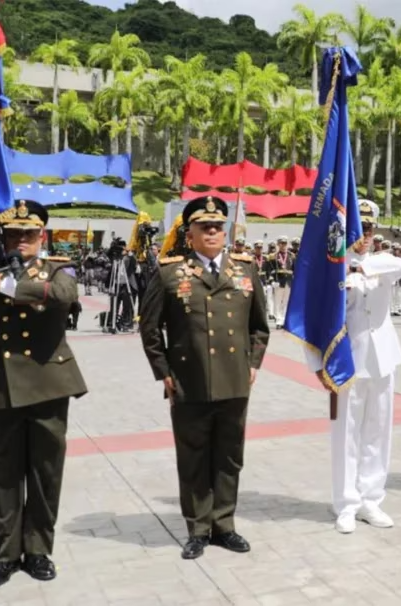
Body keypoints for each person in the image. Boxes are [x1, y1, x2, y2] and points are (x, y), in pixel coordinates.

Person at [0, 200, 88, 589]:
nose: (21, 241)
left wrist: (4, 285)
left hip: (49, 390)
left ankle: (37, 551)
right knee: (2, 479)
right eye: (13, 234)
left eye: (28, 235)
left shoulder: (56, 270)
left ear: (42, 237)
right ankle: (6, 555)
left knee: (45, 475)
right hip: (0, 394)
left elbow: (63, 295)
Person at [139, 196, 270, 560]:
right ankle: (198, 528)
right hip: (189, 380)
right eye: (204, 227)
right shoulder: (169, 272)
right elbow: (149, 329)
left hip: (234, 380)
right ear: (189, 233)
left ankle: (224, 525)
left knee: (229, 457)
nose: (212, 232)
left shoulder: (245, 269)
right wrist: (163, 372)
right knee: (194, 457)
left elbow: (260, 325)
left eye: (217, 226)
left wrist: (254, 363)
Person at [307, 201, 401, 534]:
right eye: (358, 229)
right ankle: (346, 504)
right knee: (346, 435)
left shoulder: (381, 262)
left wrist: (361, 269)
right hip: (346, 362)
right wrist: (316, 364)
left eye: (369, 229)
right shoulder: (332, 268)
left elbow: (399, 266)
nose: (364, 235)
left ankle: (371, 500)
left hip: (382, 360)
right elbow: (316, 320)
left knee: (378, 432)